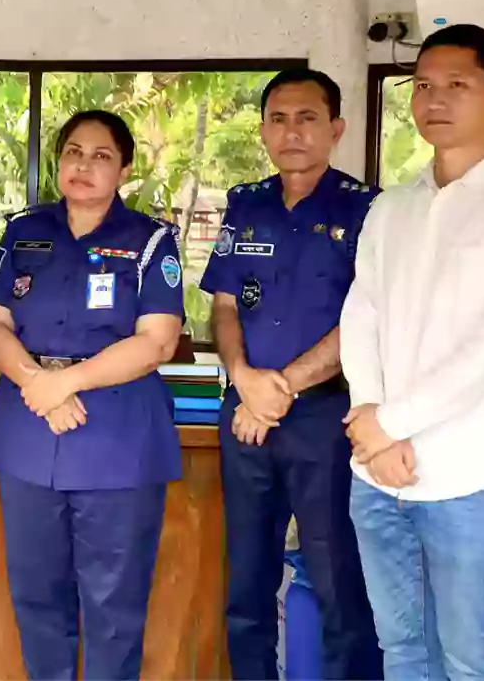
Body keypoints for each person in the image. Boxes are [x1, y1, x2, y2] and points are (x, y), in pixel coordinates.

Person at [0, 110, 184, 680]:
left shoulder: (150, 240)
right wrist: (34, 381)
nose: (84, 165)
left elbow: (157, 340)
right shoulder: (24, 230)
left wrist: (63, 383)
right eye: (73, 152)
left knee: (113, 607)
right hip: (28, 429)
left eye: (101, 156)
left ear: (125, 169)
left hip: (116, 435)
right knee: (37, 598)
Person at [199, 68, 383, 680]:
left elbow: (365, 317)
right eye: (278, 119)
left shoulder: (367, 210)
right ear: (263, 131)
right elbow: (225, 306)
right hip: (246, 417)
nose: (292, 132)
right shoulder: (245, 204)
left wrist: (278, 390)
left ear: (336, 128)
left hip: (327, 419)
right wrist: (243, 380)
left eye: (307, 118)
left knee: (338, 582)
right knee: (246, 582)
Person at [341, 23, 484, 680]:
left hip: (470, 477)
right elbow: (362, 314)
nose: (435, 99)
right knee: (401, 650)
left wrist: (391, 423)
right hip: (377, 475)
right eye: (423, 85)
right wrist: (371, 420)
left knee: (469, 659)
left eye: (458, 83)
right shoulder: (391, 208)